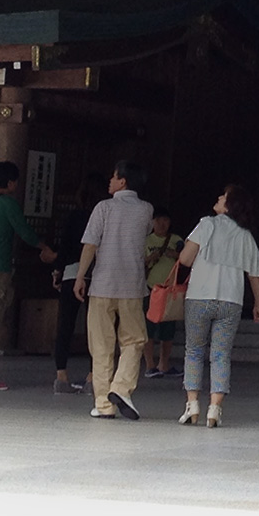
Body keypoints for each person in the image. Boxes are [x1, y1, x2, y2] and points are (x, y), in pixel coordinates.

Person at [178, 184, 259, 428]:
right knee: (221, 355)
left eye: (223, 196)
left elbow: (185, 258)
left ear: (229, 205)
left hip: (199, 296)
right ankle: (214, 409)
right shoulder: (245, 234)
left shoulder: (206, 224)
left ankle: (192, 405)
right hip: (231, 300)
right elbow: (255, 273)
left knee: (194, 351)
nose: (218, 197)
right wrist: (258, 303)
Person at [0, 161, 57, 391]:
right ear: (9, 182)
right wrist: (43, 247)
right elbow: (24, 232)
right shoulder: (8, 204)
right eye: (15, 180)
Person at [74, 161, 153, 420]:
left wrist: (80, 276)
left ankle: (103, 403)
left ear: (123, 181)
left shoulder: (103, 208)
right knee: (134, 340)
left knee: (101, 345)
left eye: (114, 176)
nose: (110, 180)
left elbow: (90, 245)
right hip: (132, 285)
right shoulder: (146, 210)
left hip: (102, 284)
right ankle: (121, 387)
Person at [51, 172, 104, 395]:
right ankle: (93, 376)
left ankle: (61, 375)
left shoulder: (74, 216)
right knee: (96, 327)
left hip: (72, 272)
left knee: (65, 325)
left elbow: (64, 246)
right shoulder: (104, 216)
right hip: (99, 275)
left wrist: (57, 271)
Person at [143, 207, 184, 378]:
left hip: (170, 291)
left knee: (168, 329)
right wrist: (150, 258)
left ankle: (164, 364)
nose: (161, 224)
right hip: (151, 289)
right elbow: (138, 262)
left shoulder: (175, 239)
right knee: (148, 329)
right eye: (158, 220)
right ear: (152, 222)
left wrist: (173, 254)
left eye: (165, 220)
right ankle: (150, 365)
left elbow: (186, 256)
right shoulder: (146, 240)